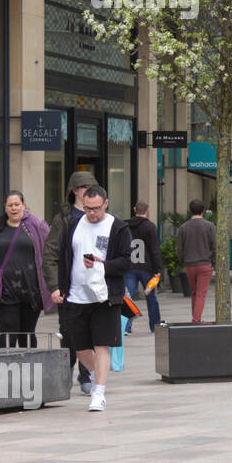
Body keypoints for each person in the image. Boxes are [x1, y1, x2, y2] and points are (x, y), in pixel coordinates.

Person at [50, 185, 132, 412]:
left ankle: (99, 393)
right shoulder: (74, 225)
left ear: (105, 203)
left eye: (95, 209)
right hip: (76, 296)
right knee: (80, 347)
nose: (91, 213)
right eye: (87, 208)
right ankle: (99, 375)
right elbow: (65, 258)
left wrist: (101, 264)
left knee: (101, 344)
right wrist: (60, 287)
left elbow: (126, 262)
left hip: (105, 296)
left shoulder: (118, 227)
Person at [0, 191, 54, 349]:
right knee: (8, 330)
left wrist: (54, 284)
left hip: (31, 289)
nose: (14, 208)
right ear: (5, 207)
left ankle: (28, 369)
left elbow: (51, 254)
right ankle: (5, 368)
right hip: (4, 289)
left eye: (17, 204)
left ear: (23, 205)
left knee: (27, 332)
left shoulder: (38, 225)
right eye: (10, 205)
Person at [44, 170, 98, 393]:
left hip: (94, 286)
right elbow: (50, 254)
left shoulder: (100, 217)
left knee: (93, 332)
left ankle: (87, 375)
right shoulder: (63, 219)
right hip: (69, 287)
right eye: (86, 188)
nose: (89, 193)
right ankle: (67, 371)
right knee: (68, 332)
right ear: (75, 191)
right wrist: (54, 286)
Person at [124, 200, 162, 332]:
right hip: (147, 267)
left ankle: (125, 327)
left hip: (129, 266)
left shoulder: (125, 225)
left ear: (134, 209)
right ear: (148, 211)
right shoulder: (150, 226)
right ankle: (155, 325)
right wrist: (158, 269)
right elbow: (154, 249)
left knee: (128, 298)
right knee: (151, 297)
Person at [176, 199, 216, 323]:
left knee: (194, 292)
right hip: (205, 264)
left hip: (189, 264)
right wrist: (213, 263)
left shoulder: (183, 227)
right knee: (201, 293)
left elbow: (179, 248)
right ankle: (196, 319)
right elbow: (214, 246)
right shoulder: (210, 226)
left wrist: (182, 261)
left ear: (190, 210)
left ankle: (195, 318)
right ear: (203, 210)